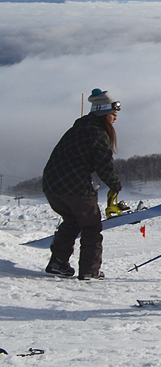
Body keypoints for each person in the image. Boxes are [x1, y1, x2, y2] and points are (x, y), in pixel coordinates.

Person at [41, 89, 123, 279]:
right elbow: (104, 165)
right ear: (103, 113)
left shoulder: (77, 128)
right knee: (91, 228)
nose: (115, 119)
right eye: (113, 114)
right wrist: (115, 184)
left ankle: (57, 263)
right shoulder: (98, 133)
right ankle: (89, 271)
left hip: (51, 186)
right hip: (75, 188)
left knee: (71, 221)